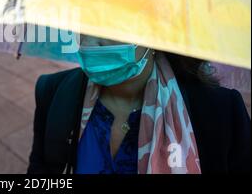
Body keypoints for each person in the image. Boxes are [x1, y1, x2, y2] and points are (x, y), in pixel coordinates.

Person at [27, 35, 251, 174]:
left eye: (112, 21)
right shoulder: (54, 92)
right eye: (86, 18)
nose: (89, 42)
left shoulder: (220, 113)